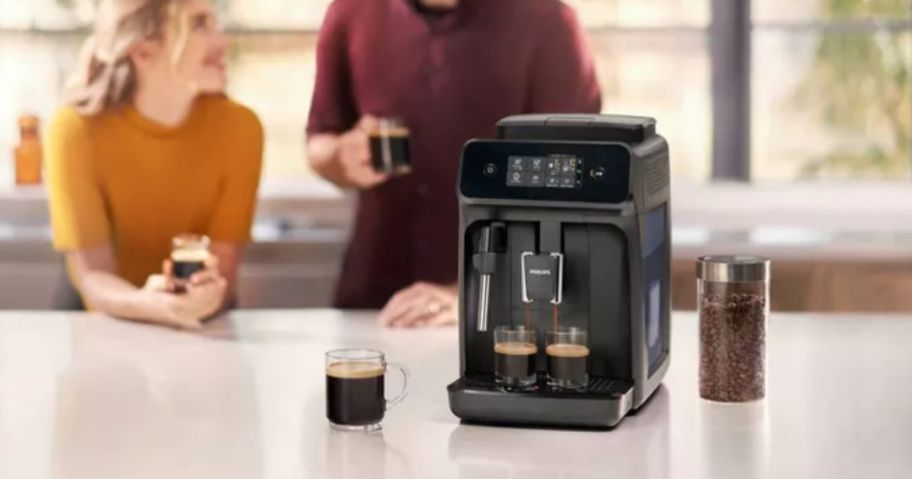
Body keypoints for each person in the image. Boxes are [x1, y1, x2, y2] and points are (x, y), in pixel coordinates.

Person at [306, 0, 601, 327]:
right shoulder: (350, 10)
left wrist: (477, 291)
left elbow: (577, 187)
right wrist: (339, 158)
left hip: (498, 317)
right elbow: (319, 139)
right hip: (370, 305)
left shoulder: (548, 22)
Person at [46, 0, 263, 330]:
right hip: (99, 325)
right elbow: (94, 276)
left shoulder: (241, 129)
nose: (222, 41)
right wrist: (151, 305)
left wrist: (200, 297)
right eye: (199, 24)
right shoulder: (74, 132)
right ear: (143, 51)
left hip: (199, 328)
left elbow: (224, 270)